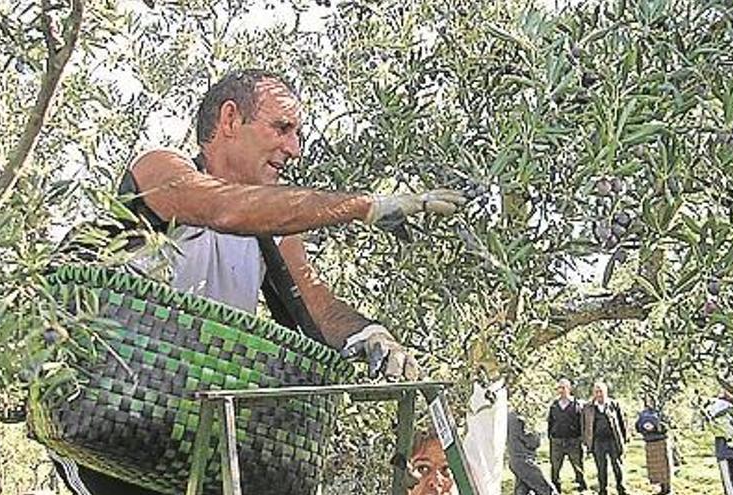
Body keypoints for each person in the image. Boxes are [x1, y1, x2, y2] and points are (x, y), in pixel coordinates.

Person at [52, 69, 466, 495]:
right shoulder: (160, 170)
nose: (294, 148)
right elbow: (222, 209)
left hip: (190, 436)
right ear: (230, 120)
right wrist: (366, 205)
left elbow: (317, 306)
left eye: (297, 134)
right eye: (282, 128)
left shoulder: (276, 231)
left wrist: (371, 334)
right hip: (112, 426)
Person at [582, 382, 628, 495]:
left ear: (606, 392)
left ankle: (621, 489)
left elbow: (622, 422)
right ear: (593, 393)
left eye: (601, 391)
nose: (599, 394)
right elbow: (583, 425)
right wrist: (586, 441)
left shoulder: (613, 404)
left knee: (617, 465)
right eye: (596, 392)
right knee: (601, 467)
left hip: (613, 439)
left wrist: (625, 438)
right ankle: (603, 490)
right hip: (597, 441)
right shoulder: (588, 407)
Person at [547, 378, 587, 493]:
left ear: (569, 389)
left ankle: (582, 485)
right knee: (555, 467)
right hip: (557, 441)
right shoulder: (554, 405)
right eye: (559, 388)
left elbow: (582, 423)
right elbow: (550, 422)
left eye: (563, 388)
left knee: (578, 465)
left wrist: (581, 438)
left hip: (573, 441)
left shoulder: (577, 404)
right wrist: (551, 436)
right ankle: (555, 487)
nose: (561, 390)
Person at [507, 410, 558, 495]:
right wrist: (537, 433)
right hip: (525, 460)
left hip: (514, 459)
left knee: (522, 490)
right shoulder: (522, 419)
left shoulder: (509, 416)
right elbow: (533, 442)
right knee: (546, 488)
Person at [635, 398, 672, 495]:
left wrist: (656, 426)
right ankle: (660, 487)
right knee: (654, 468)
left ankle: (667, 488)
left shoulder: (661, 411)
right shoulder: (643, 413)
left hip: (660, 441)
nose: (650, 402)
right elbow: (637, 426)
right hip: (650, 442)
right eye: (648, 400)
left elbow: (667, 425)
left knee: (664, 466)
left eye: (651, 400)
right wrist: (643, 427)